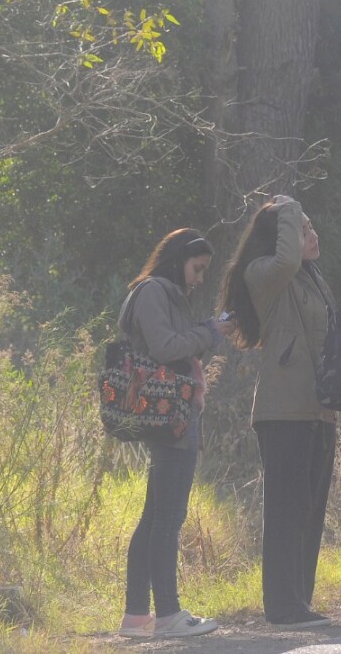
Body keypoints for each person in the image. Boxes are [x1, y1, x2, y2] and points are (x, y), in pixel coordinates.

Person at [217, 196, 336, 629]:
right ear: (282, 235)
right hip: (283, 408)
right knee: (286, 509)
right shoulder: (264, 274)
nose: (312, 233)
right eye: (302, 228)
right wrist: (290, 206)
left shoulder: (311, 278)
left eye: (310, 225)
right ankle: (282, 607)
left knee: (309, 507)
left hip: (318, 410)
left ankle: (299, 601)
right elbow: (285, 260)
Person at [119, 228, 234, 640]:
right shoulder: (154, 291)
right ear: (178, 259)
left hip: (172, 414)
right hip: (169, 417)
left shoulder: (163, 293)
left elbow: (173, 346)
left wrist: (205, 330)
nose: (200, 278)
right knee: (168, 517)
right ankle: (167, 613)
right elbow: (167, 347)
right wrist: (210, 330)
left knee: (154, 518)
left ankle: (136, 616)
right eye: (197, 268)